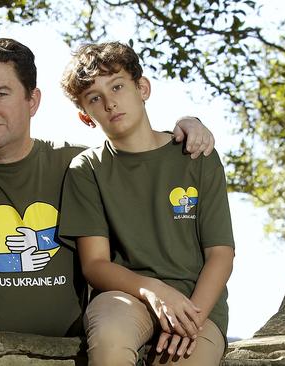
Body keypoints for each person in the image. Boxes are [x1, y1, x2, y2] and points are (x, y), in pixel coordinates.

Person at [0, 38, 217, 337]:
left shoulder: (80, 165)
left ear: (32, 100)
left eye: (1, 93)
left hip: (74, 349)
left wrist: (189, 124)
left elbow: (140, 153)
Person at [58, 41, 235, 365]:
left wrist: (190, 320)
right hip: (124, 298)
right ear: (86, 116)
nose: (110, 103)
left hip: (197, 304)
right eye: (95, 98)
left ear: (143, 88)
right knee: (110, 340)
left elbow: (221, 254)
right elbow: (95, 265)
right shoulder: (88, 169)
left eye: (118, 86)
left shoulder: (196, 156)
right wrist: (154, 290)